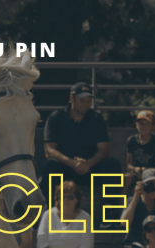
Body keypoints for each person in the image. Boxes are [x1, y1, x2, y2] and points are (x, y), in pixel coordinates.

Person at [39, 82, 122, 228]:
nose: (86, 104)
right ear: (72, 98)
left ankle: (109, 215)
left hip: (90, 169)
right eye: (82, 100)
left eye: (89, 100)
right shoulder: (55, 118)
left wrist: (89, 163)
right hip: (66, 170)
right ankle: (51, 211)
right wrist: (72, 163)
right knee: (49, 166)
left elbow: (104, 150)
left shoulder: (96, 118)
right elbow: (49, 150)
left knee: (113, 164)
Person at [120, 169, 155, 247]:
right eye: (150, 184)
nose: (153, 188)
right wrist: (136, 196)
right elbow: (124, 223)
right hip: (134, 244)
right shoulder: (132, 201)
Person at [124, 110, 155, 195]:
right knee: (127, 177)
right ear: (136, 125)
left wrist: (147, 170)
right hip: (137, 173)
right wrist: (136, 169)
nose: (143, 126)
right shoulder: (131, 141)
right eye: (141, 123)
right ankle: (121, 202)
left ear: (153, 126)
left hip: (153, 173)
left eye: (147, 123)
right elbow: (129, 166)